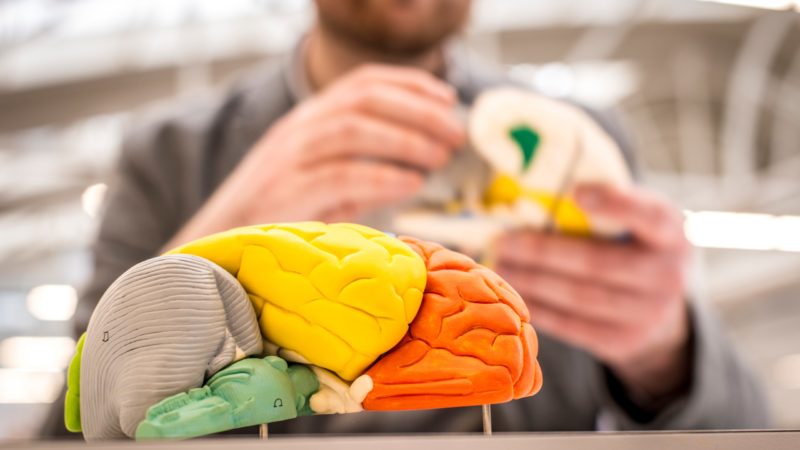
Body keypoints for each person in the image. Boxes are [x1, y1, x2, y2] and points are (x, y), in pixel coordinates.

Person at [54, 0, 768, 436]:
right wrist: (215, 241)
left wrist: (667, 351)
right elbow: (67, 429)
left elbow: (752, 423)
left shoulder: (578, 144)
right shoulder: (171, 155)